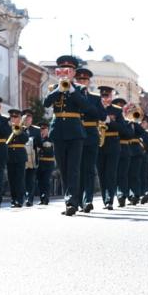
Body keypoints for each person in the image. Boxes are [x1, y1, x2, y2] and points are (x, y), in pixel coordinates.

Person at [43, 55, 89, 216]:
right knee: (63, 168)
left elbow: (85, 106)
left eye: (68, 71)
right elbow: (46, 103)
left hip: (75, 132)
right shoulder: (53, 88)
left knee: (74, 169)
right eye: (62, 70)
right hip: (58, 131)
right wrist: (59, 89)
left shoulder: (80, 88)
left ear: (73, 73)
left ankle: (72, 202)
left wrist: (70, 89)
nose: (65, 73)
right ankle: (68, 200)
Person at [73, 67, 104, 213]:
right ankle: (77, 201)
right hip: (75, 135)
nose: (82, 81)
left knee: (89, 169)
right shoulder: (70, 96)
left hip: (91, 135)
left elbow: (102, 115)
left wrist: (88, 106)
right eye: (79, 79)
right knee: (76, 169)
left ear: (88, 81)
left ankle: (88, 200)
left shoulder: (95, 98)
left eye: (84, 80)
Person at [6, 109, 29, 208]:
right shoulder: (6, 128)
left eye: (16, 117)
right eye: (12, 117)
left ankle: (20, 200)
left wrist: (18, 130)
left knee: (19, 179)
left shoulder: (23, 128)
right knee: (11, 179)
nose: (14, 119)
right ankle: (13, 199)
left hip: (20, 155)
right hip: (9, 155)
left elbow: (25, 139)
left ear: (19, 118)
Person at [23, 109, 42, 206]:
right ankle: (20, 198)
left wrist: (34, 143)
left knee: (30, 180)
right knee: (21, 179)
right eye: (26, 118)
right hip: (21, 158)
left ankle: (29, 199)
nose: (27, 120)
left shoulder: (36, 130)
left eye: (29, 118)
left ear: (31, 119)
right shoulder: (19, 128)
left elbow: (40, 144)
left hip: (32, 159)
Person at [36, 122, 55, 205]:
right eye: (41, 129)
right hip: (40, 163)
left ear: (47, 130)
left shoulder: (51, 139)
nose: (42, 131)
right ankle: (42, 198)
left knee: (46, 181)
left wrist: (41, 142)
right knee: (40, 181)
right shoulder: (38, 139)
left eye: (44, 129)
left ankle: (46, 198)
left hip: (48, 162)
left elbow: (48, 150)